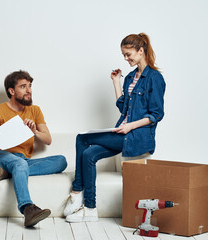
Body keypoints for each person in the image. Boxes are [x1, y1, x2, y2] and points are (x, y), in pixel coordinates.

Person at [64, 33, 166, 222]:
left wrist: (130, 127)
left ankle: (77, 190)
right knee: (88, 155)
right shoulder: (129, 78)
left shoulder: (154, 78)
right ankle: (90, 209)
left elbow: (156, 115)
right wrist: (116, 81)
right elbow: (122, 106)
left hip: (135, 136)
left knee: (82, 138)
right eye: (124, 55)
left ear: (141, 51)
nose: (126, 59)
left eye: (128, 54)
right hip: (122, 131)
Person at [0, 70, 67, 227]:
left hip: (21, 160)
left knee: (61, 161)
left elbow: (48, 140)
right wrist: (3, 133)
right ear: (11, 91)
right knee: (19, 164)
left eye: (30, 86)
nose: (29, 90)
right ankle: (28, 209)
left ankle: (7, 172)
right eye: (23, 86)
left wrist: (35, 133)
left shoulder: (35, 110)